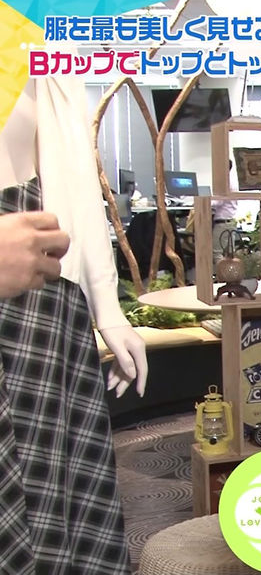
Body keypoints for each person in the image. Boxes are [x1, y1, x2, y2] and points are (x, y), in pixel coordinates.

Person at [0, 76, 148, 574]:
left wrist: (108, 308)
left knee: (54, 502)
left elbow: (74, 179)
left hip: (42, 296)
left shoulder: (31, 46)